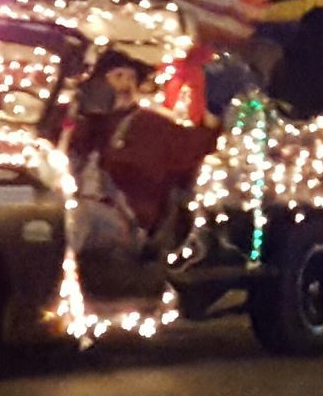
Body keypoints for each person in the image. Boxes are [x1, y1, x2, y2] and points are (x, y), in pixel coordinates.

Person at [68, 50, 220, 263]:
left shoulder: (152, 125)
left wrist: (213, 123)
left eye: (131, 78)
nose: (126, 84)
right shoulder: (81, 124)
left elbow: (192, 150)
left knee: (76, 218)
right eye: (118, 76)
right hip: (82, 212)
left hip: (125, 222)